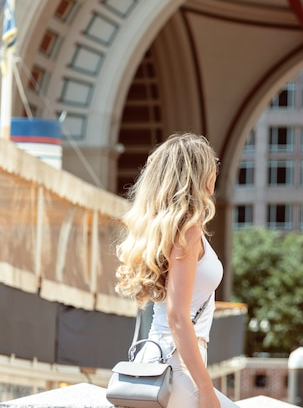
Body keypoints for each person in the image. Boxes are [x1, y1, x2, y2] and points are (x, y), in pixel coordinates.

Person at [115, 133, 237, 408]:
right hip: (174, 364)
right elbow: (178, 316)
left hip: (163, 359)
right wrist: (206, 389)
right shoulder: (188, 232)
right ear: (197, 173)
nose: (216, 171)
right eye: (212, 163)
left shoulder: (178, 230)